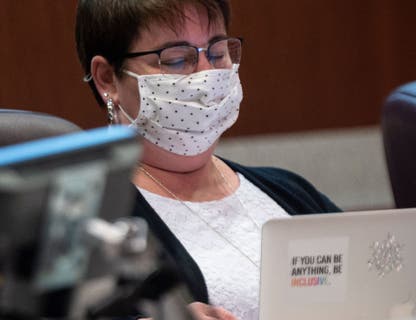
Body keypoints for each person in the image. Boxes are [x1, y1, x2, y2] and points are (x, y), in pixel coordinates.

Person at [74, 0, 341, 319]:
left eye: (217, 52)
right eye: (176, 59)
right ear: (107, 79)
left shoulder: (289, 191)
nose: (207, 75)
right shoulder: (89, 220)